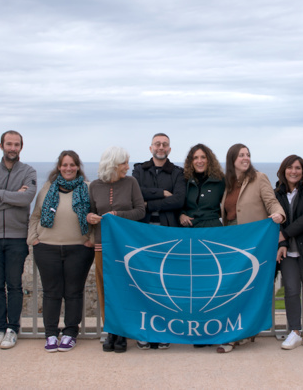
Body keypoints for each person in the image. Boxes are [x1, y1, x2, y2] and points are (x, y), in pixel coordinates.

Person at [219, 143, 285, 353]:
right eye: (241, 155)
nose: (245, 158)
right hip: (231, 242)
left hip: (253, 244)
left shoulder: (259, 178)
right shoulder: (227, 182)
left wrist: (279, 215)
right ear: (232, 160)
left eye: (247, 154)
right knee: (233, 289)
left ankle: (236, 335)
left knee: (248, 288)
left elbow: (271, 201)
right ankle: (239, 332)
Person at [28, 150, 94, 353]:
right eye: (65, 165)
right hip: (47, 248)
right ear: (59, 167)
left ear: (78, 167)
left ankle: (70, 333)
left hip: (79, 249)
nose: (68, 168)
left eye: (72, 165)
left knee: (74, 292)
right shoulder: (48, 188)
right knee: (51, 292)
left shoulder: (88, 188)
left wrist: (91, 239)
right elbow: (35, 215)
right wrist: (33, 238)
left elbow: (95, 216)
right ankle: (50, 334)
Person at [0, 130, 37, 350]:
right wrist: (13, 196)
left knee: (14, 285)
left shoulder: (28, 171)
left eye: (16, 144)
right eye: (8, 144)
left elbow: (27, 199)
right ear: (1, 146)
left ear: (21, 147)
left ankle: (12, 329)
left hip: (16, 237)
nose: (12, 148)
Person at [87, 146, 145, 353]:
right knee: (105, 288)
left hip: (125, 246)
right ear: (112, 164)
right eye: (124, 163)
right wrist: (90, 218)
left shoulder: (131, 183)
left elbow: (140, 211)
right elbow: (90, 213)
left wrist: (117, 214)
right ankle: (110, 330)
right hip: (102, 246)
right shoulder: (94, 186)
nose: (127, 167)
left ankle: (122, 332)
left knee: (125, 288)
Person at [132, 133, 186, 350]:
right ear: (150, 147)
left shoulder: (178, 172)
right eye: (157, 144)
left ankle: (163, 331)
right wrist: (161, 193)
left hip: (167, 233)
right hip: (142, 233)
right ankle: (144, 331)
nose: (161, 147)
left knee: (165, 285)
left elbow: (179, 199)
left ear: (169, 149)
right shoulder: (139, 169)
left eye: (165, 144)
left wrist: (149, 203)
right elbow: (135, 193)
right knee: (144, 283)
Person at [274, 155, 303, 350]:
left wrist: (284, 233)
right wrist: (282, 241)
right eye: (290, 168)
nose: (294, 171)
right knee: (291, 291)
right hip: (286, 251)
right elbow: (273, 220)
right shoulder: (277, 192)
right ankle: (294, 330)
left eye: (298, 168)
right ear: (284, 170)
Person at [179, 144, 225, 228]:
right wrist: (181, 215)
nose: (199, 161)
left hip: (212, 229)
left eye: (203, 157)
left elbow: (229, 205)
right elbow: (178, 203)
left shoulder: (220, 180)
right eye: (195, 158)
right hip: (189, 230)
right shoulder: (184, 180)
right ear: (191, 162)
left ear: (209, 160)